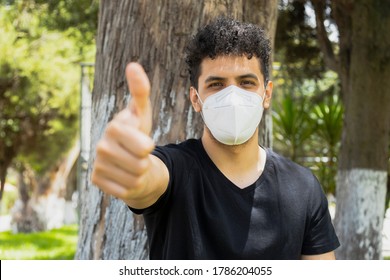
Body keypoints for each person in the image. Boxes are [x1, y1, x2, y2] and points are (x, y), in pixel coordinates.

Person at [91, 17, 340, 260]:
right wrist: (131, 169)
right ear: (195, 99)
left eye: (246, 82)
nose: (233, 96)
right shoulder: (175, 170)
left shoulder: (303, 187)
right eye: (217, 85)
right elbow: (146, 179)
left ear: (266, 94)